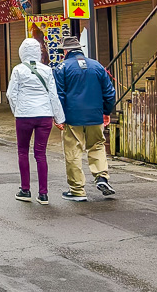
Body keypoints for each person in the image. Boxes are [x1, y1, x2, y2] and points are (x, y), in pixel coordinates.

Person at [53, 36, 117, 201]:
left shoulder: (62, 68)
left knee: (73, 151)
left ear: (65, 51)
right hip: (95, 115)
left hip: (72, 117)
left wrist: (58, 117)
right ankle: (101, 176)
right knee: (97, 146)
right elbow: (110, 92)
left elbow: (58, 95)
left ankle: (77, 190)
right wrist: (106, 111)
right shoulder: (97, 65)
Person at [7, 39, 66, 205]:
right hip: (44, 115)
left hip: (24, 115)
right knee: (41, 154)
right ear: (38, 52)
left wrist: (17, 111)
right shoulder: (47, 70)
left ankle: (25, 190)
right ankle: (43, 194)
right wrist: (59, 118)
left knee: (23, 151)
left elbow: (12, 94)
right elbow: (53, 95)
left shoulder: (18, 70)